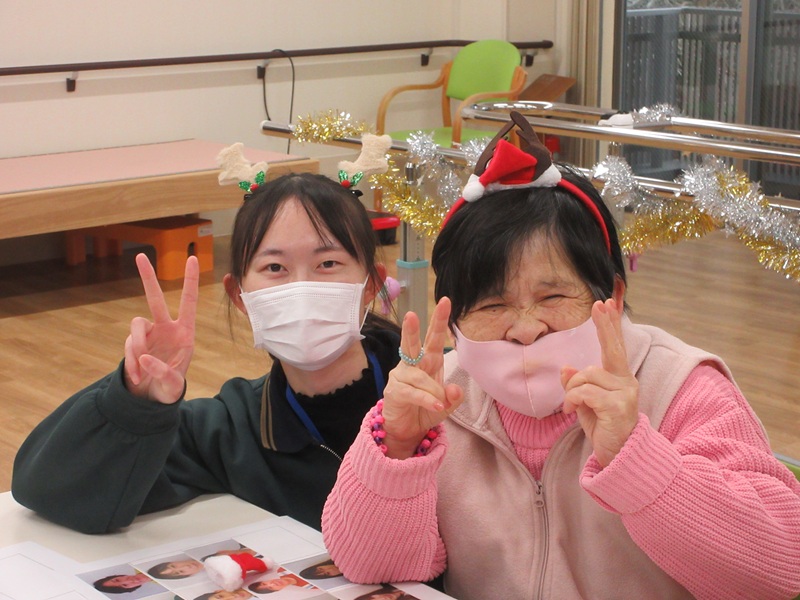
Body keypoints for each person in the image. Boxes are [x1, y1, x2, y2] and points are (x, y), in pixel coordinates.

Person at [322, 113, 800, 599]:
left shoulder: (679, 386)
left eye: (553, 297)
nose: (526, 328)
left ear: (612, 295)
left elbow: (779, 571)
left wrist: (637, 459)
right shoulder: (439, 399)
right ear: (454, 318)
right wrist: (398, 447)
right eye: (492, 306)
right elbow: (371, 565)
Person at [11, 172, 401, 534]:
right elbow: (53, 492)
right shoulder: (232, 430)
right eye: (275, 267)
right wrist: (134, 403)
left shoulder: (428, 394)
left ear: (371, 285)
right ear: (240, 296)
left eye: (328, 263)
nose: (301, 288)